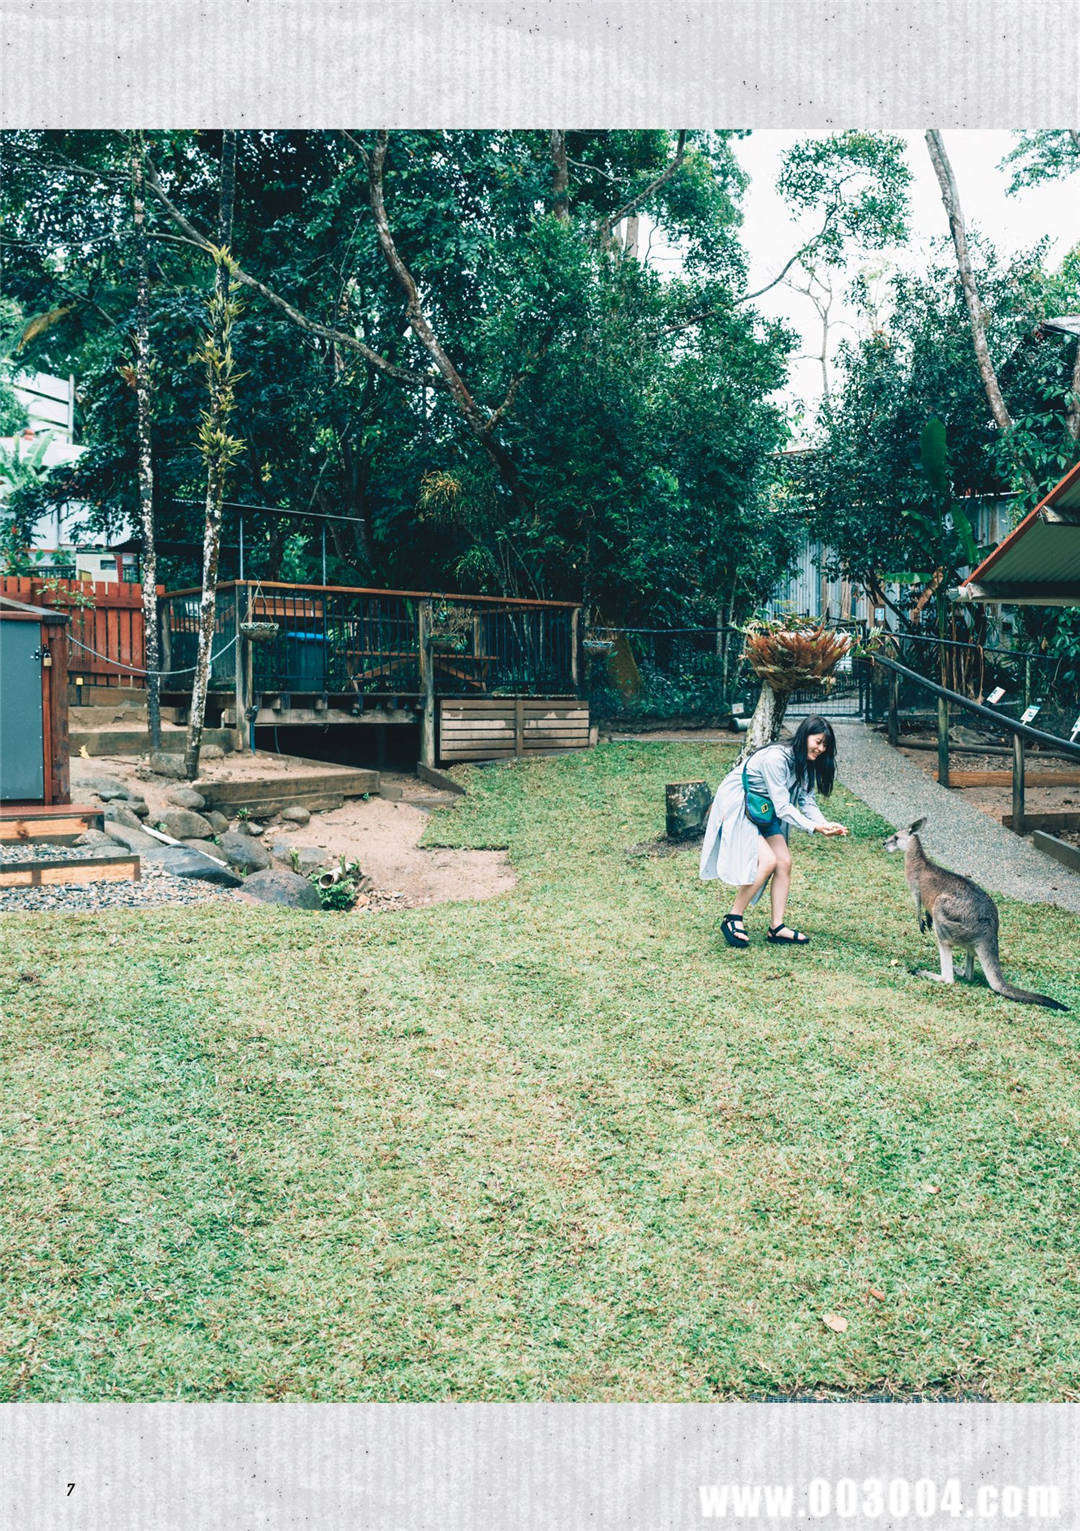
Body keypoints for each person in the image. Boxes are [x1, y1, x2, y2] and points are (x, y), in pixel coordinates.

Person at [699, 714, 848, 948]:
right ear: (805, 735)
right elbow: (783, 806)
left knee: (784, 861)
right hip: (741, 803)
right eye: (818, 741)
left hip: (763, 808)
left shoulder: (804, 763)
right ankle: (732, 918)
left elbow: (806, 799)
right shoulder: (776, 758)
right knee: (767, 860)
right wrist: (813, 827)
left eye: (825, 746)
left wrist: (824, 823)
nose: (820, 749)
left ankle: (776, 927)